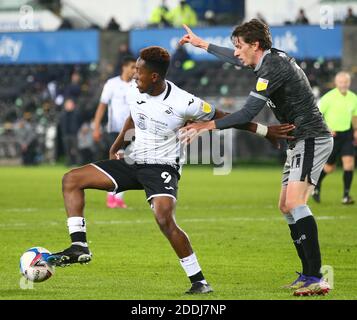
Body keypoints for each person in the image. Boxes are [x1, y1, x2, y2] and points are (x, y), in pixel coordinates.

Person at [46, 46, 294, 294]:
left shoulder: (185, 102)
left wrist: (265, 130)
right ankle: (79, 246)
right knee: (71, 179)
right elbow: (134, 115)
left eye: (139, 73)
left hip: (162, 166)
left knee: (164, 218)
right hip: (134, 161)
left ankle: (199, 281)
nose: (134, 77)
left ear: (154, 76)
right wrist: (117, 145)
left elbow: (226, 116)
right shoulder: (135, 90)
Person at [179, 20, 333, 296]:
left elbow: (246, 114)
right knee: (286, 206)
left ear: (256, 45)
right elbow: (237, 60)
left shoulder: (272, 68)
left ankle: (317, 277)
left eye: (239, 46)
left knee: (296, 202)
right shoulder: (268, 60)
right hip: (297, 140)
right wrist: (202, 44)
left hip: (312, 136)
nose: (236, 52)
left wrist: (205, 126)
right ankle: (309, 273)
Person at [92, 56, 136, 209]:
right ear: (124, 67)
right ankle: (112, 197)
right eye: (132, 67)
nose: (134, 70)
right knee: (119, 163)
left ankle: (116, 198)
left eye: (136, 68)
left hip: (134, 130)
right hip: (115, 130)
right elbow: (102, 106)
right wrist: (96, 127)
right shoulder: (112, 84)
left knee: (130, 165)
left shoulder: (138, 85)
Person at [312, 72, 357, 204]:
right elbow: (317, 115)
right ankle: (317, 185)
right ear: (336, 83)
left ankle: (346, 196)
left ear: (349, 83)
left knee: (349, 164)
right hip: (332, 136)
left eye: (346, 82)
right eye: (341, 82)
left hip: (347, 135)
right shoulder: (328, 98)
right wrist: (327, 129)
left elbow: (355, 116)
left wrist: (355, 130)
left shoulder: (353, 98)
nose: (343, 84)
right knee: (329, 168)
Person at [59, 98, 82, 166]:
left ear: (73, 105)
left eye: (70, 104)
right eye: (67, 104)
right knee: (67, 150)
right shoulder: (63, 114)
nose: (69, 106)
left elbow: (80, 122)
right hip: (65, 135)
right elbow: (61, 124)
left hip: (74, 134)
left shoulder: (77, 113)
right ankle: (68, 163)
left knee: (76, 150)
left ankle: (78, 163)